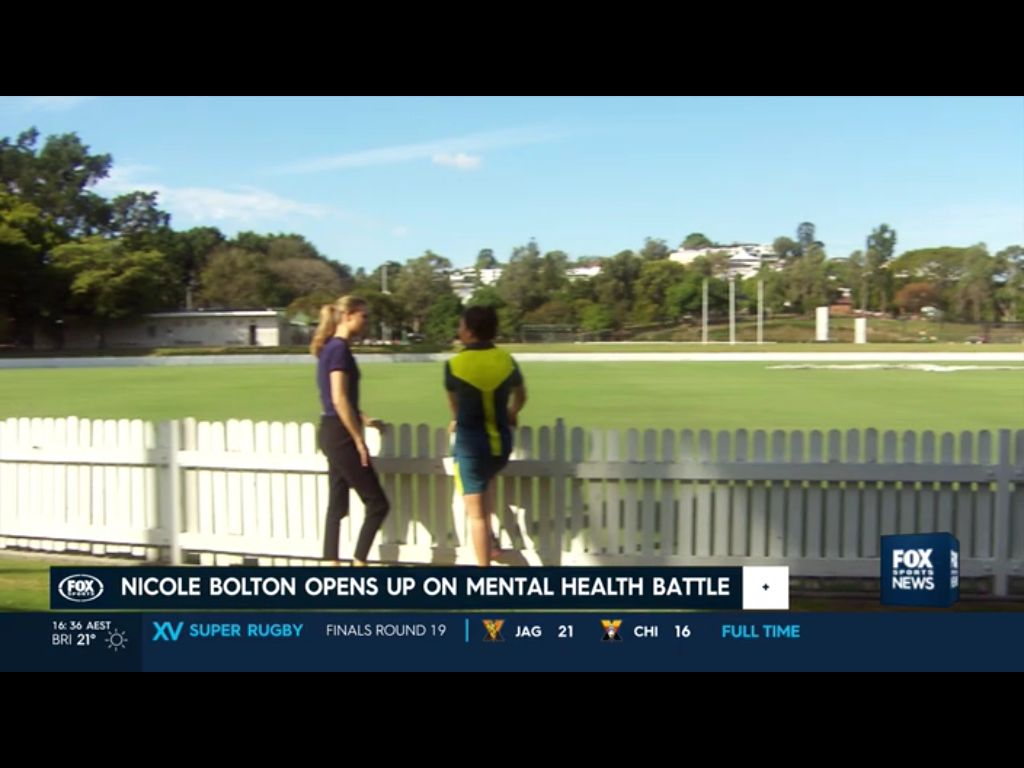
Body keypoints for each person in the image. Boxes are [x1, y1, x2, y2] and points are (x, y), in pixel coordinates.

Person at [444, 306, 527, 566]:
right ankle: (491, 545)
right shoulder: (506, 360)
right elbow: (521, 396)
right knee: (484, 490)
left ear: (469, 331)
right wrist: (511, 412)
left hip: (471, 448)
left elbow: (454, 405)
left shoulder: (454, 364)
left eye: (461, 326)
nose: (459, 330)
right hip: (500, 446)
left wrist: (457, 419)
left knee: (477, 516)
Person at [311, 296, 390, 566]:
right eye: (363, 316)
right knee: (377, 504)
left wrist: (365, 418)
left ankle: (330, 563)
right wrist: (358, 439)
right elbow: (338, 398)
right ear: (348, 316)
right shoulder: (339, 350)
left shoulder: (332, 349)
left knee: (337, 505)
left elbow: (340, 399)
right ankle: (359, 563)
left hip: (331, 430)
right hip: (341, 434)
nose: (366, 321)